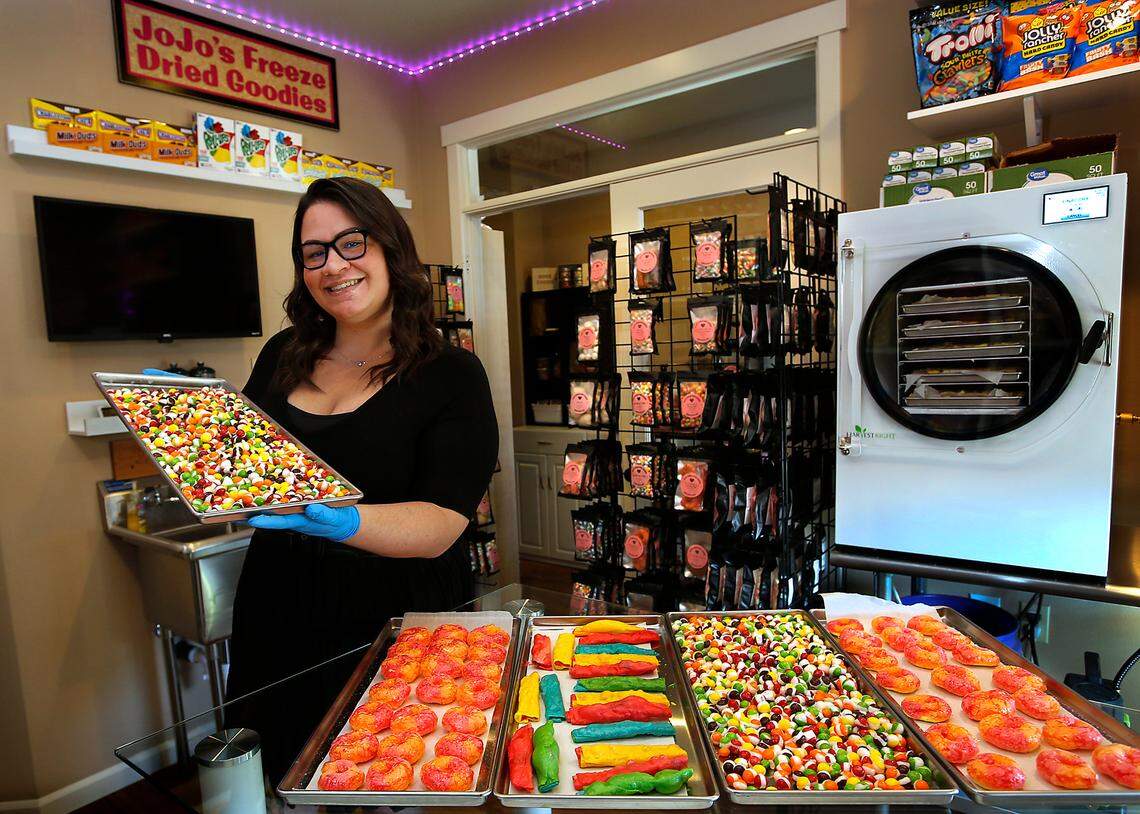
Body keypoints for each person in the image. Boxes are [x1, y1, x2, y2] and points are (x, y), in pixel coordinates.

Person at [223, 177, 498, 780]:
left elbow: (443, 523)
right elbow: (245, 466)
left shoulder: (450, 373)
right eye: (314, 252)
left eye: (352, 243)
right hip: (280, 607)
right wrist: (188, 426)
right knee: (286, 770)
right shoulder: (280, 355)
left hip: (395, 619)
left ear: (390, 249)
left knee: (393, 774)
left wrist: (341, 517)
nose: (333, 265)